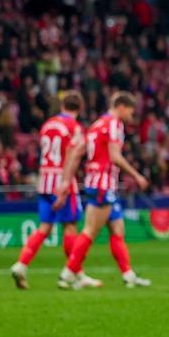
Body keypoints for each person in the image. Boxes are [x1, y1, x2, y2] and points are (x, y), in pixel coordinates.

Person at [59, 92, 153, 290]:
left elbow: (78, 152)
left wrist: (67, 178)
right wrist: (136, 176)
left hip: (97, 181)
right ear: (121, 106)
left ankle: (128, 275)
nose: (130, 116)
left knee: (117, 229)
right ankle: (68, 272)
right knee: (90, 230)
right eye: (130, 111)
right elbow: (115, 156)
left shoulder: (96, 124)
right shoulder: (114, 124)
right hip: (103, 184)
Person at [10, 91, 99, 289]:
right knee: (70, 226)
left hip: (44, 180)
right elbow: (72, 156)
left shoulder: (47, 124)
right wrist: (65, 184)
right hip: (62, 179)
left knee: (44, 227)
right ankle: (75, 273)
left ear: (62, 106)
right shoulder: (74, 127)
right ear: (80, 108)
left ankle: (21, 264)